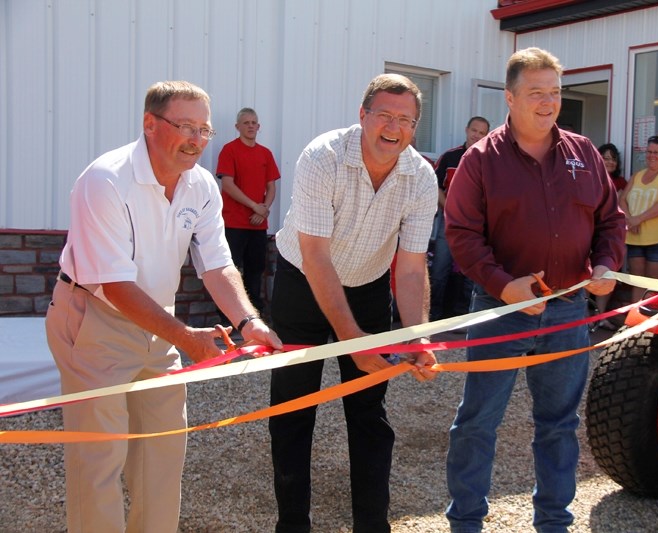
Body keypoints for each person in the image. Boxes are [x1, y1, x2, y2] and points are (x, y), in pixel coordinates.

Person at [44, 80, 283, 533]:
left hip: (158, 319)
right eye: (185, 126)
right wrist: (184, 337)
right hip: (92, 319)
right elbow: (114, 285)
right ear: (149, 124)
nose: (196, 140)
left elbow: (217, 263)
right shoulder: (104, 181)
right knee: (99, 457)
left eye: (204, 130)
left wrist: (247, 321)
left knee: (163, 452)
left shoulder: (202, 186)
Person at [444, 47, 626, 533]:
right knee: (478, 423)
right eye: (535, 93)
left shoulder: (585, 153)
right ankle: (465, 522)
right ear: (509, 97)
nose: (548, 103)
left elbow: (611, 221)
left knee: (559, 424)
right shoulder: (480, 161)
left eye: (555, 92)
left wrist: (607, 262)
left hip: (568, 311)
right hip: (501, 312)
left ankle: (553, 522)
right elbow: (461, 234)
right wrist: (503, 286)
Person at [269, 73, 438, 533]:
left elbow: (409, 266)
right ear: (362, 116)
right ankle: (292, 525)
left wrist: (415, 335)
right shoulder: (322, 157)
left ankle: (372, 524)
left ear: (414, 128)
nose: (393, 126)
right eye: (384, 114)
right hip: (302, 281)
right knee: (292, 409)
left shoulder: (422, 177)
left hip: (366, 284)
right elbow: (316, 255)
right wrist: (351, 339)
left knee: (368, 413)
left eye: (405, 119)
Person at [217, 107, 281, 316]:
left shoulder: (265, 153)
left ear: (259, 127)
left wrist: (263, 210)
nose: (251, 126)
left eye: (254, 122)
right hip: (234, 223)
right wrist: (256, 206)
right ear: (238, 127)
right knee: (231, 270)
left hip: (258, 225)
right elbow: (227, 184)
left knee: (255, 271)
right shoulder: (230, 150)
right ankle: (228, 315)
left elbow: (271, 186)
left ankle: (253, 313)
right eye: (246, 123)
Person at [429, 116, 490, 321]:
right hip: (449, 223)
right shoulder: (449, 157)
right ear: (466, 130)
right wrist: (451, 210)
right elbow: (434, 185)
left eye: (482, 133)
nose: (477, 135)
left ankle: (464, 317)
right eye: (474, 130)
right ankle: (433, 316)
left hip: (476, 227)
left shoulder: (490, 161)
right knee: (439, 270)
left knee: (471, 275)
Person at [619, 135, 658, 302]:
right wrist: (629, 218)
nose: (652, 155)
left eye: (657, 152)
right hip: (634, 237)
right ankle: (634, 322)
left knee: (654, 285)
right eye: (649, 152)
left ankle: (652, 324)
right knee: (637, 282)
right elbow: (622, 199)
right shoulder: (637, 175)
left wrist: (638, 219)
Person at [595, 142, 626, 329]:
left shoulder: (621, 183)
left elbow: (618, 208)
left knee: (605, 274)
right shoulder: (589, 177)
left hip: (607, 233)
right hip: (589, 231)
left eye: (613, 158)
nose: (609, 162)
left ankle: (600, 316)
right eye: (605, 158)